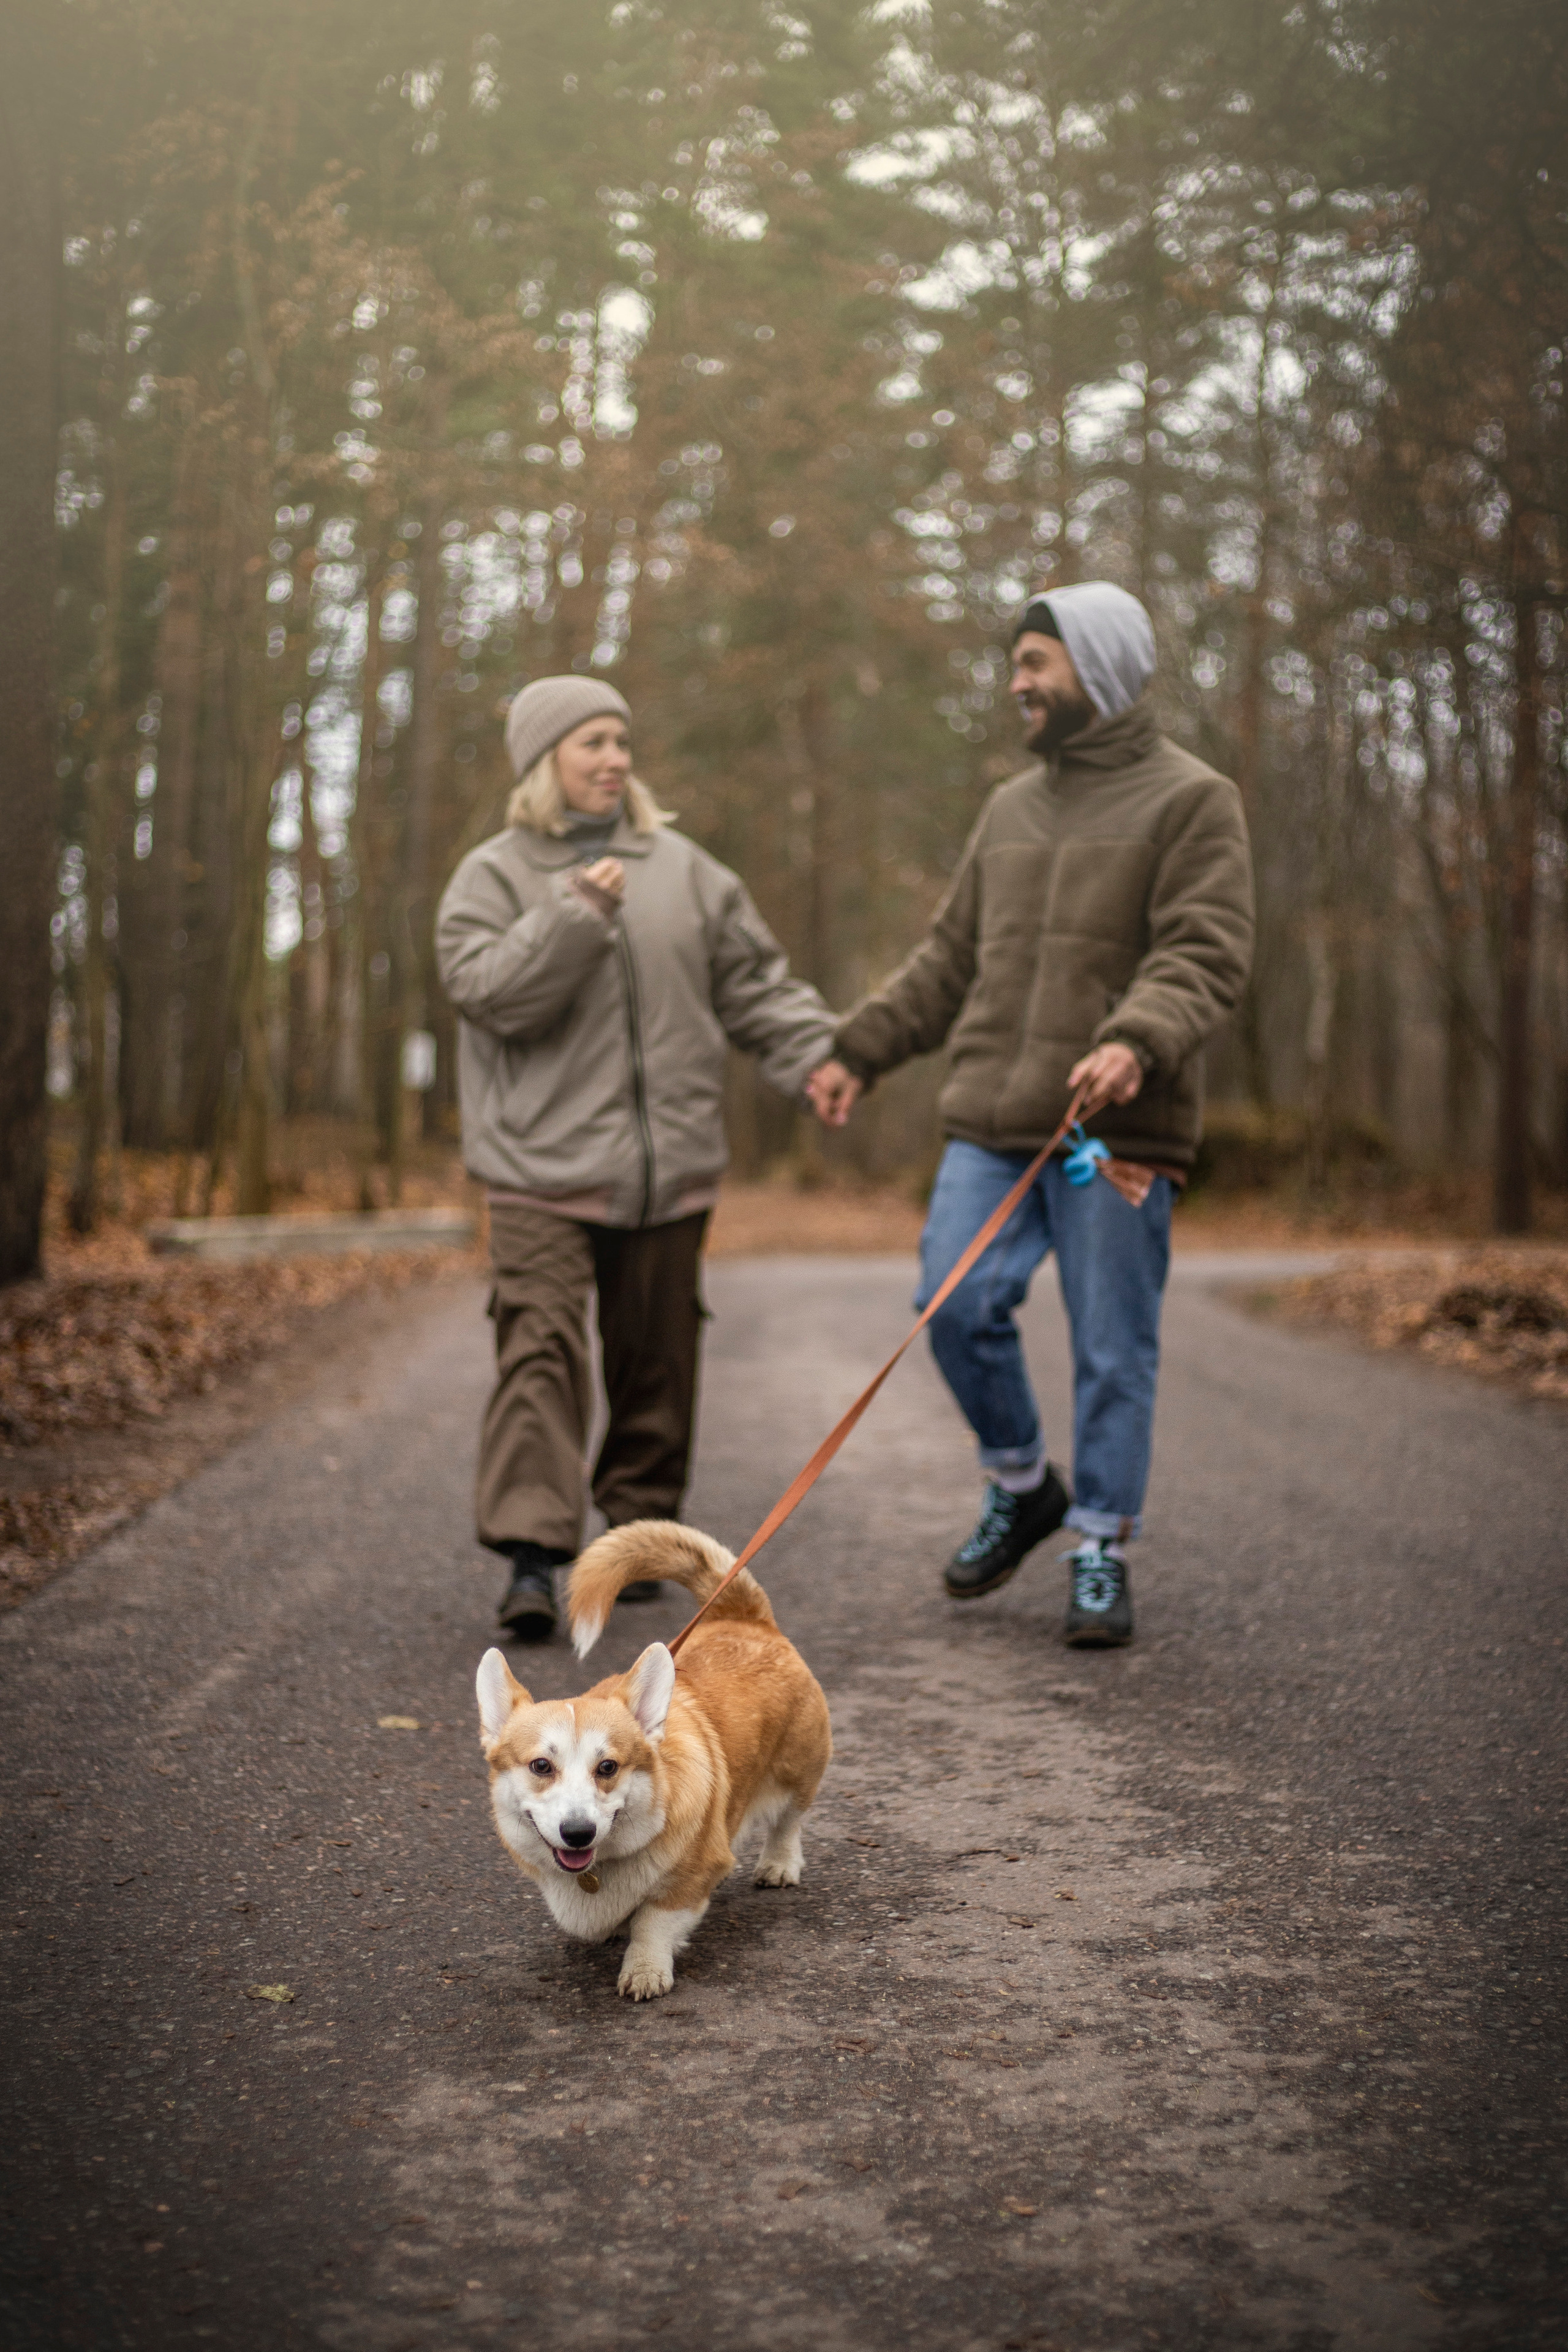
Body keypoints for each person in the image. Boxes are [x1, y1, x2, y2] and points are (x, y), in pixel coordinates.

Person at [809, 584, 1253, 1648]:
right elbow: (947, 960)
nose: (1017, 682)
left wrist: (1135, 1039)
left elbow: (1206, 948)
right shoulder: (1009, 810)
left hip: (1116, 1129)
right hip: (994, 1120)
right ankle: (1023, 1485)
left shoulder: (1193, 800)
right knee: (950, 1304)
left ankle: (1099, 1545)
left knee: (1112, 1346)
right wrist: (856, 1049)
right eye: (1017, 663)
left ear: (1095, 670)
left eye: (1036, 664)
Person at [435, 677, 837, 1643]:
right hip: (540, 1168)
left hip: (672, 1165)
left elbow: (756, 987)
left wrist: (819, 1058)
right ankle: (536, 1554)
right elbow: (488, 993)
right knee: (540, 1346)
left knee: (659, 1351)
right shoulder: (490, 876)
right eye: (592, 743)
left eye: (622, 740)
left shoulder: (688, 870)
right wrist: (575, 914)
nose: (616, 758)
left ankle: (635, 1534)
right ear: (546, 762)